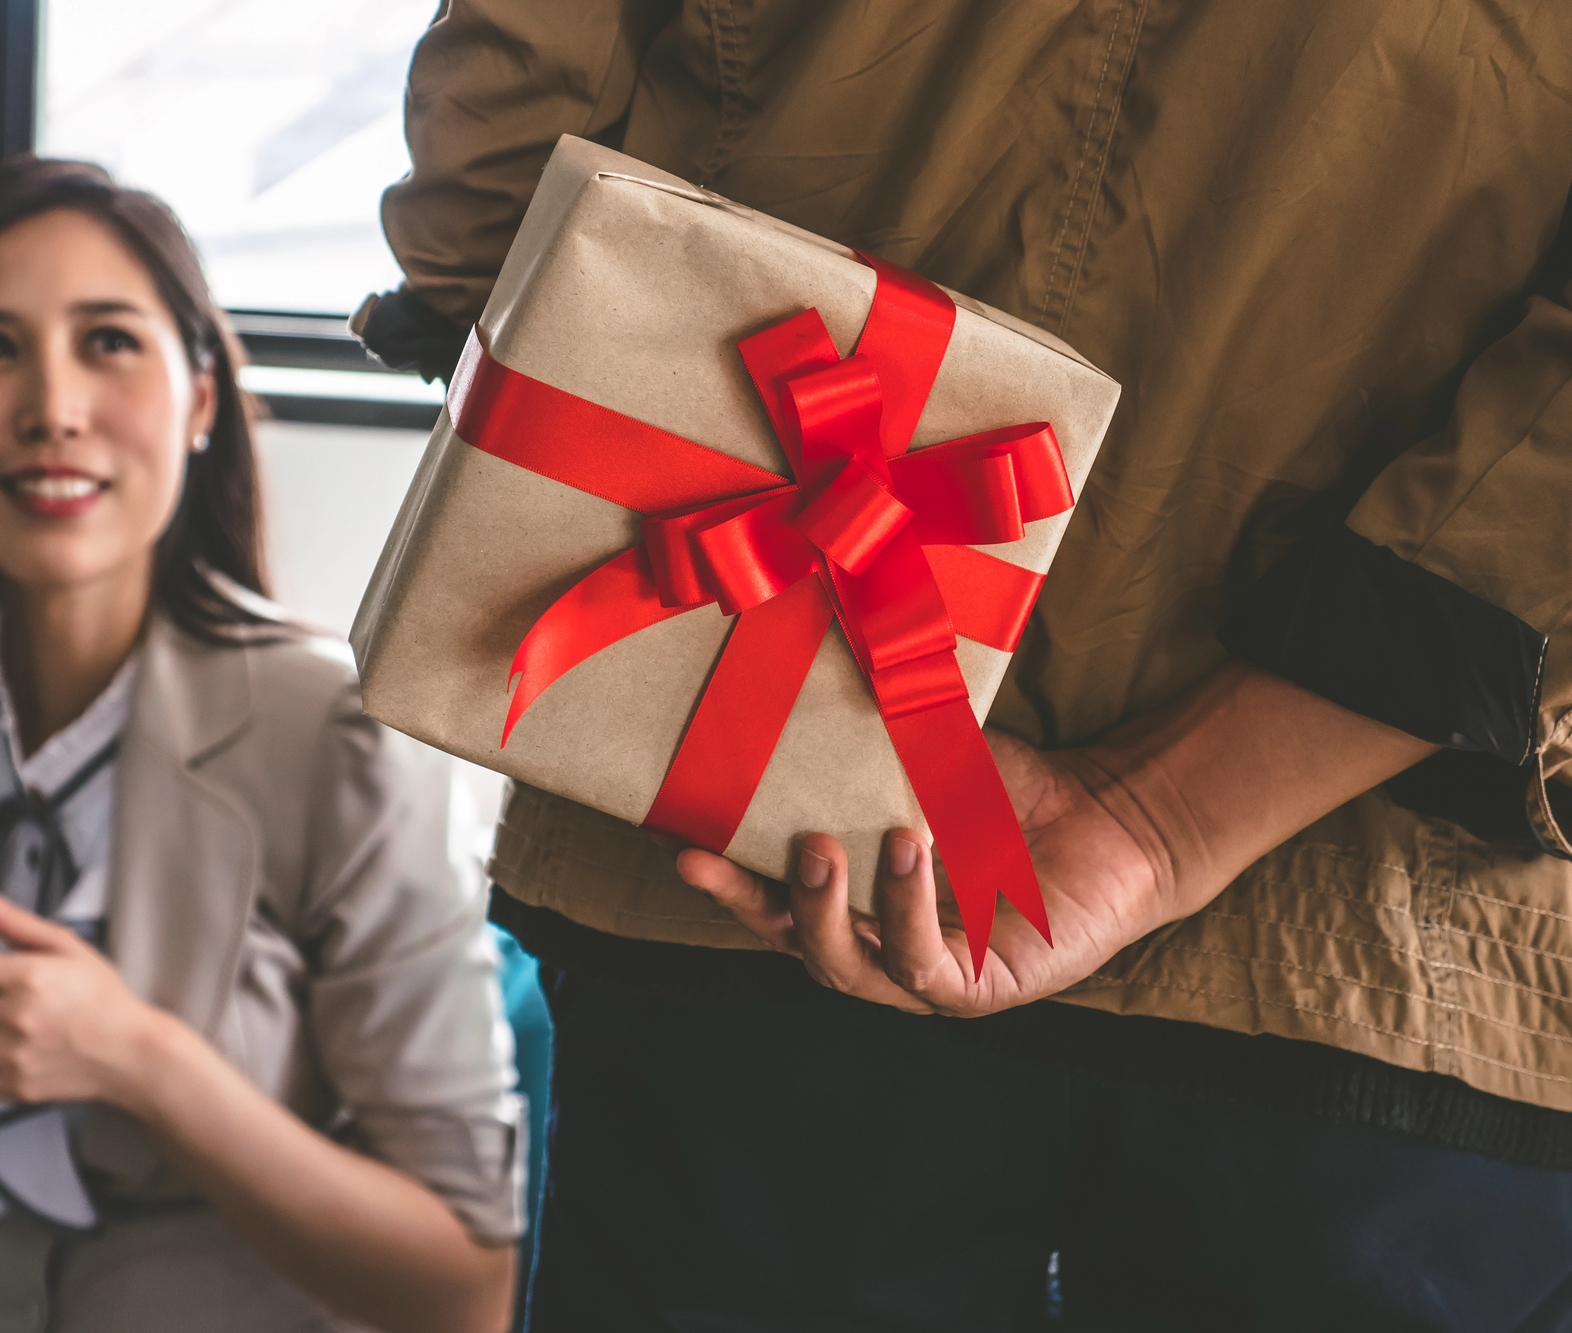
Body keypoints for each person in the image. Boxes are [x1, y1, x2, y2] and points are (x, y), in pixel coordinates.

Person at [356, 4, 1572, 1331]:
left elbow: (508, 119)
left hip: (744, 855)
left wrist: (724, 574)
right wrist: (1168, 816)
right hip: (1376, 949)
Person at [0, 157, 521, 1333]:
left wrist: (135, 1056)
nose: (53, 408)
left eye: (108, 342)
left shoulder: (339, 736)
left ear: (198, 398)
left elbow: (467, 1287)